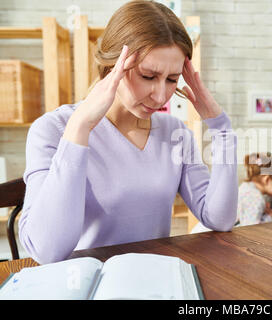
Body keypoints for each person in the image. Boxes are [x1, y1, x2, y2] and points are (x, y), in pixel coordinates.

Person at [19, 0, 238, 264]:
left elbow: (220, 218)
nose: (160, 96)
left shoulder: (175, 133)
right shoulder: (53, 129)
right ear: (113, 65)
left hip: (153, 281)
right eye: (148, 76)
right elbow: (47, 251)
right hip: (84, 284)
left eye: (171, 80)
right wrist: (79, 129)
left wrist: (221, 128)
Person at [191, 152, 272, 233]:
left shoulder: (247, 188)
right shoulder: (255, 197)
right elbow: (251, 230)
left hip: (206, 229)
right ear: (267, 179)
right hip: (207, 236)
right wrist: (270, 218)